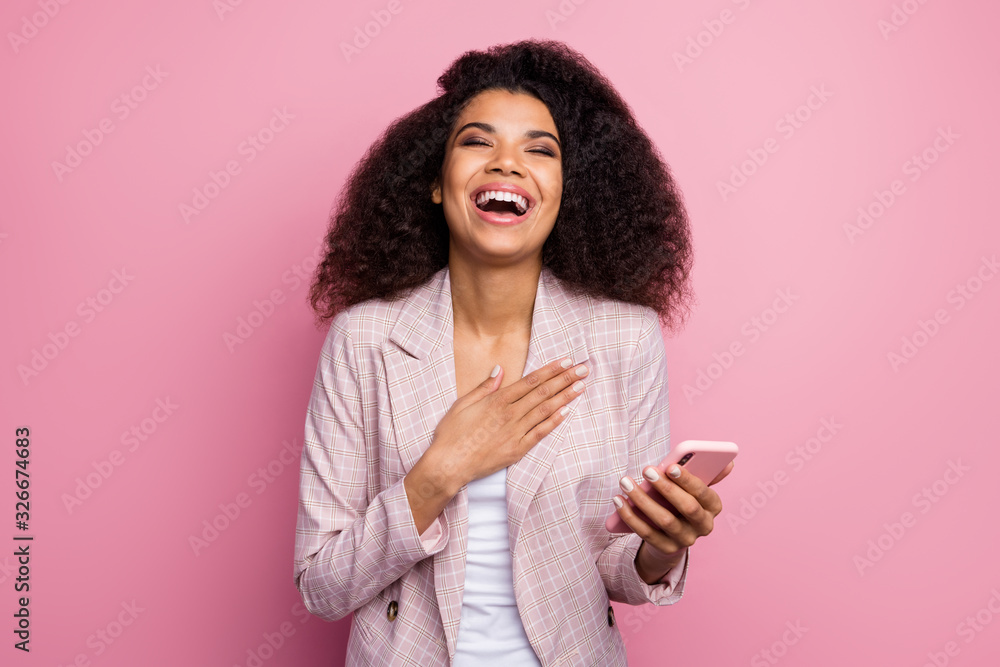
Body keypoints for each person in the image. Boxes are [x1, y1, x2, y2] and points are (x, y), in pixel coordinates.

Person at [294, 39, 733, 666]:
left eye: (540, 149)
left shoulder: (623, 338)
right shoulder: (364, 339)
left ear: (564, 193)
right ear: (436, 186)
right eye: (477, 142)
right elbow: (321, 584)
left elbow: (617, 568)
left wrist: (661, 545)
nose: (507, 163)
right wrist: (439, 473)